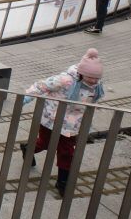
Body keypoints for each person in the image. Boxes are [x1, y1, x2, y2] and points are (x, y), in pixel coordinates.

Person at [21, 49, 104, 195]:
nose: (93, 81)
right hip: (51, 119)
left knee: (66, 151)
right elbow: (43, 85)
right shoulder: (66, 80)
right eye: (90, 77)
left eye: (96, 78)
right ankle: (28, 148)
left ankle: (62, 182)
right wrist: (28, 96)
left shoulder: (96, 85)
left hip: (71, 125)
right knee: (45, 143)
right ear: (82, 73)